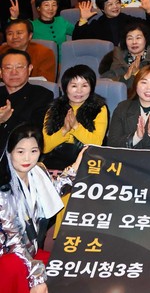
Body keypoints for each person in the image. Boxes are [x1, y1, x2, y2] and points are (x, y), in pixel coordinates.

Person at [0, 123, 86, 293]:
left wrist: (77, 165)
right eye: (20, 152)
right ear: (9, 152)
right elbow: (13, 242)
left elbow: (53, 191)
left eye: (34, 151)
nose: (27, 158)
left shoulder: (37, 171)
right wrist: (36, 277)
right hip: (9, 257)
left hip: (30, 252)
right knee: (17, 267)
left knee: (69, 265)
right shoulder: (3, 189)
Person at [42, 65, 108, 169]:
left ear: (91, 88)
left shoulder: (99, 108)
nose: (79, 91)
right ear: (65, 88)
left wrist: (76, 127)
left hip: (87, 161)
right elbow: (45, 147)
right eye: (74, 86)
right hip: (56, 162)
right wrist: (64, 130)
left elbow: (97, 143)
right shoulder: (54, 108)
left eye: (84, 86)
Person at [0, 50, 54, 143]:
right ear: (1, 72)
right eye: (8, 68)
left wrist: (8, 119)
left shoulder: (42, 95)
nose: (14, 72)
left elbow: (36, 131)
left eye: (19, 67)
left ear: (29, 69)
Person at [99, 22, 150, 89]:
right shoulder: (118, 56)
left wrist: (137, 73)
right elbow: (106, 81)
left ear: (146, 39)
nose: (134, 42)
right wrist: (125, 77)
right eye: (130, 38)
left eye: (138, 38)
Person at [73, 0, 150, 45]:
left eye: (117, 3)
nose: (115, 6)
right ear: (102, 9)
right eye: (110, 4)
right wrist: (83, 19)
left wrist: (149, 10)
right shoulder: (97, 24)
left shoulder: (128, 20)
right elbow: (78, 39)